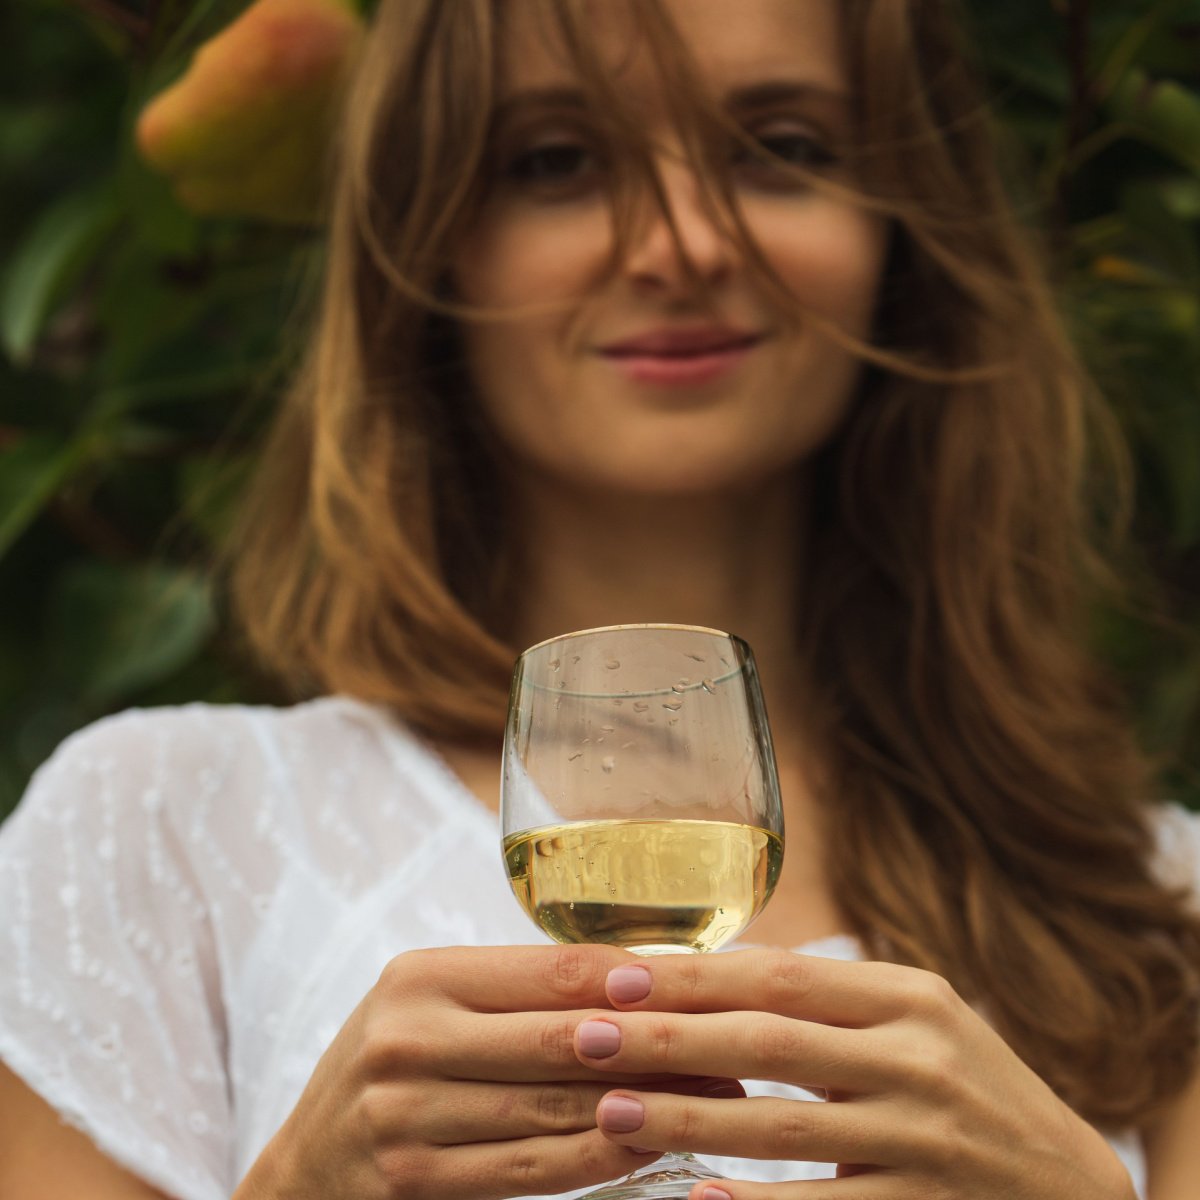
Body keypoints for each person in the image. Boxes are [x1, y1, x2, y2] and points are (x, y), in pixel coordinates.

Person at [1, 0, 1198, 1197]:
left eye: (780, 147)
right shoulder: (154, 830)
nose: (681, 242)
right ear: (427, 245)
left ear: (905, 229)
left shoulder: (1162, 911)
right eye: (558, 163)